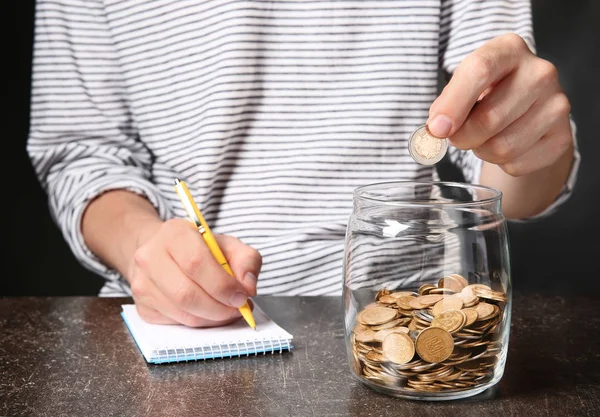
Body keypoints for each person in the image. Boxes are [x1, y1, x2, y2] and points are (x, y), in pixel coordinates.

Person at [28, 0, 579, 328]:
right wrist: (142, 247)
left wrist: (530, 141)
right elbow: (82, 150)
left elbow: (507, 163)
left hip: (417, 324)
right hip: (185, 325)